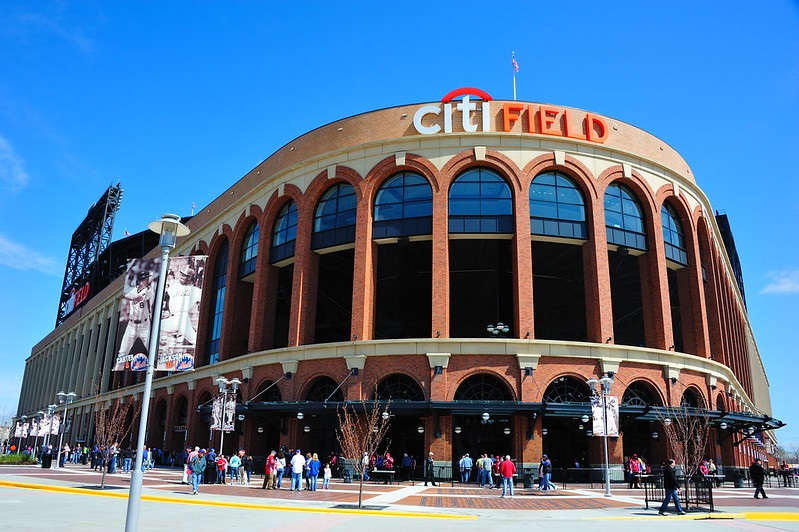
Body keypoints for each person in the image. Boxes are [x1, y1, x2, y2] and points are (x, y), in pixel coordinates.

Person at [118, 270, 154, 359]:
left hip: (144, 325)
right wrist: (131, 296)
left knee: (152, 350)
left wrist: (131, 297)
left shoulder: (148, 290)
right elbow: (125, 295)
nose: (146, 280)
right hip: (131, 325)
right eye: (145, 279)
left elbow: (139, 297)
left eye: (147, 279)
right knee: (122, 354)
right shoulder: (134, 290)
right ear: (140, 280)